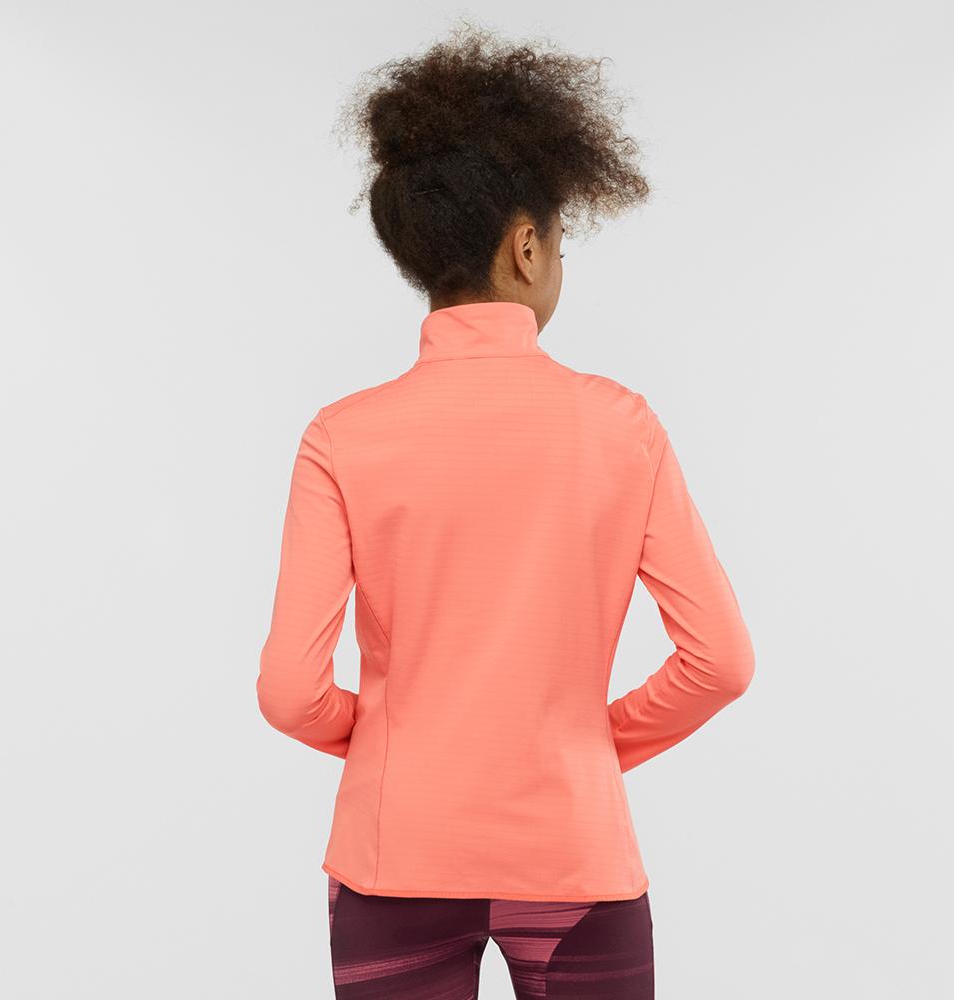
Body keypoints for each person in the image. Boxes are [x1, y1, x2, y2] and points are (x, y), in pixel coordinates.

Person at [257, 21, 755, 999]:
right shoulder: (620, 427)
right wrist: (585, 745)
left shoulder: (342, 437)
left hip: (394, 852)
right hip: (572, 852)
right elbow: (721, 661)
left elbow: (288, 692)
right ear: (526, 246)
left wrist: (399, 740)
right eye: (560, 240)